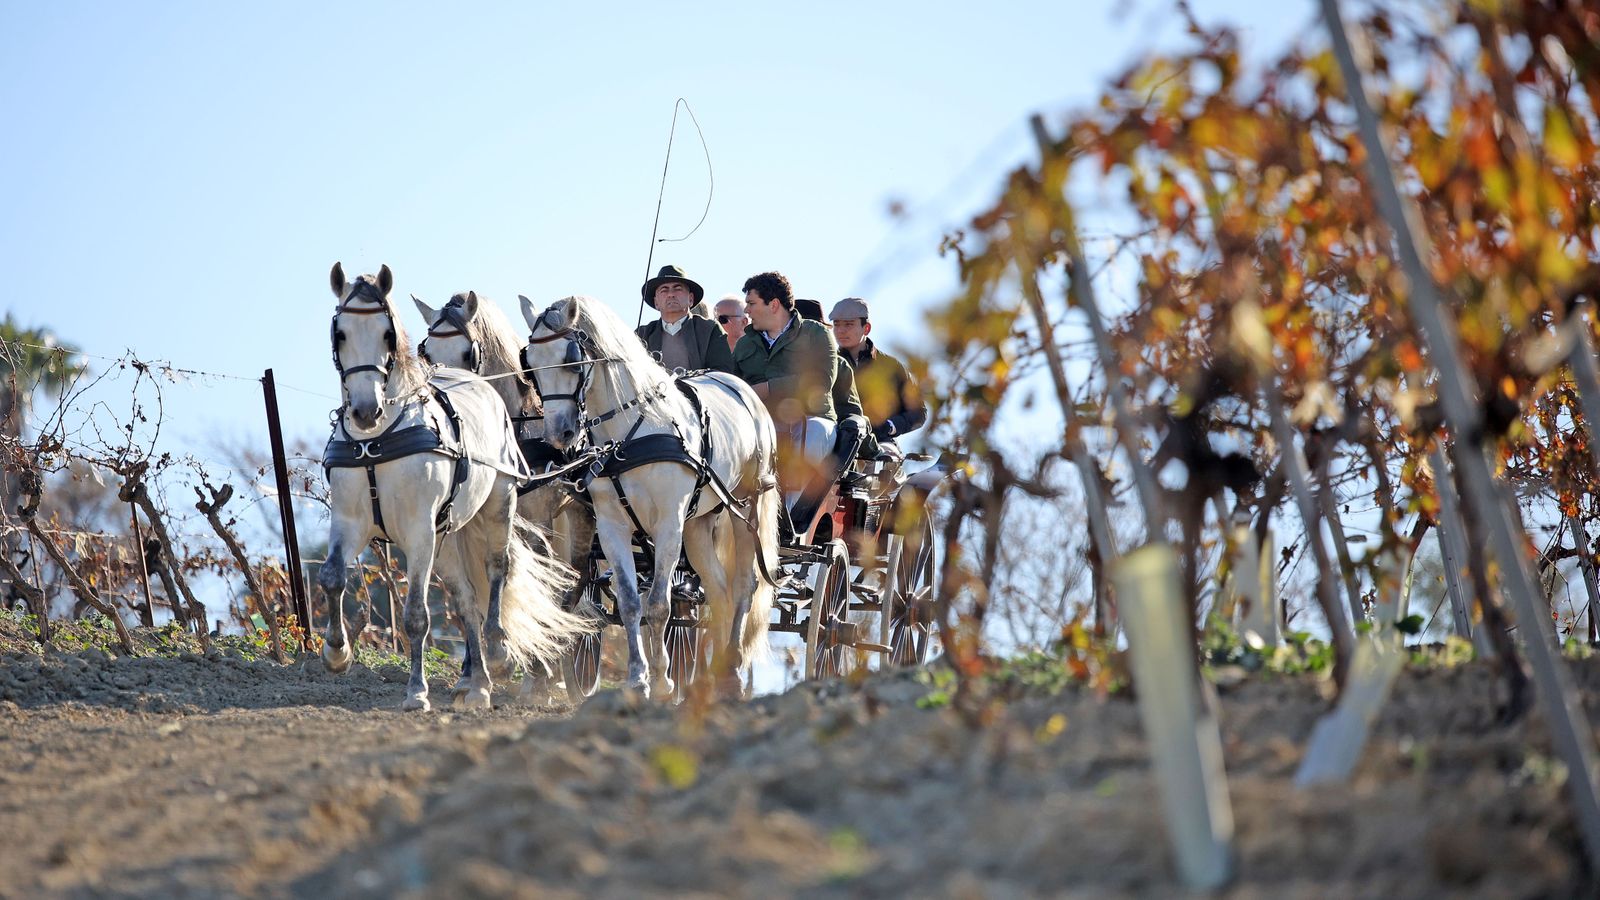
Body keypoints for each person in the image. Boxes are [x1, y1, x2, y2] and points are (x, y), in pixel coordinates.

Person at [734, 273, 839, 535]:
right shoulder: (745, 343)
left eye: (751, 303)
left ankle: (783, 521)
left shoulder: (816, 335)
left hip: (813, 418)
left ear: (774, 305)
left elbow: (821, 382)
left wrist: (768, 388)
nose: (746, 310)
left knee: (812, 432)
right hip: (760, 423)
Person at [829, 297, 925, 458]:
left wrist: (889, 426)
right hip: (836, 444)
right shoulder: (827, 363)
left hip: (881, 445)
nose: (840, 330)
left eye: (848, 324)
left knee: (886, 460)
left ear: (866, 328)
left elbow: (918, 412)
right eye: (837, 324)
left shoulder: (891, 366)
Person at [635, 264, 735, 374]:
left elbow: (722, 375)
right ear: (656, 303)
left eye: (677, 288)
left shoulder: (709, 329)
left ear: (691, 299)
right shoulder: (642, 334)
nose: (671, 294)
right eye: (664, 290)